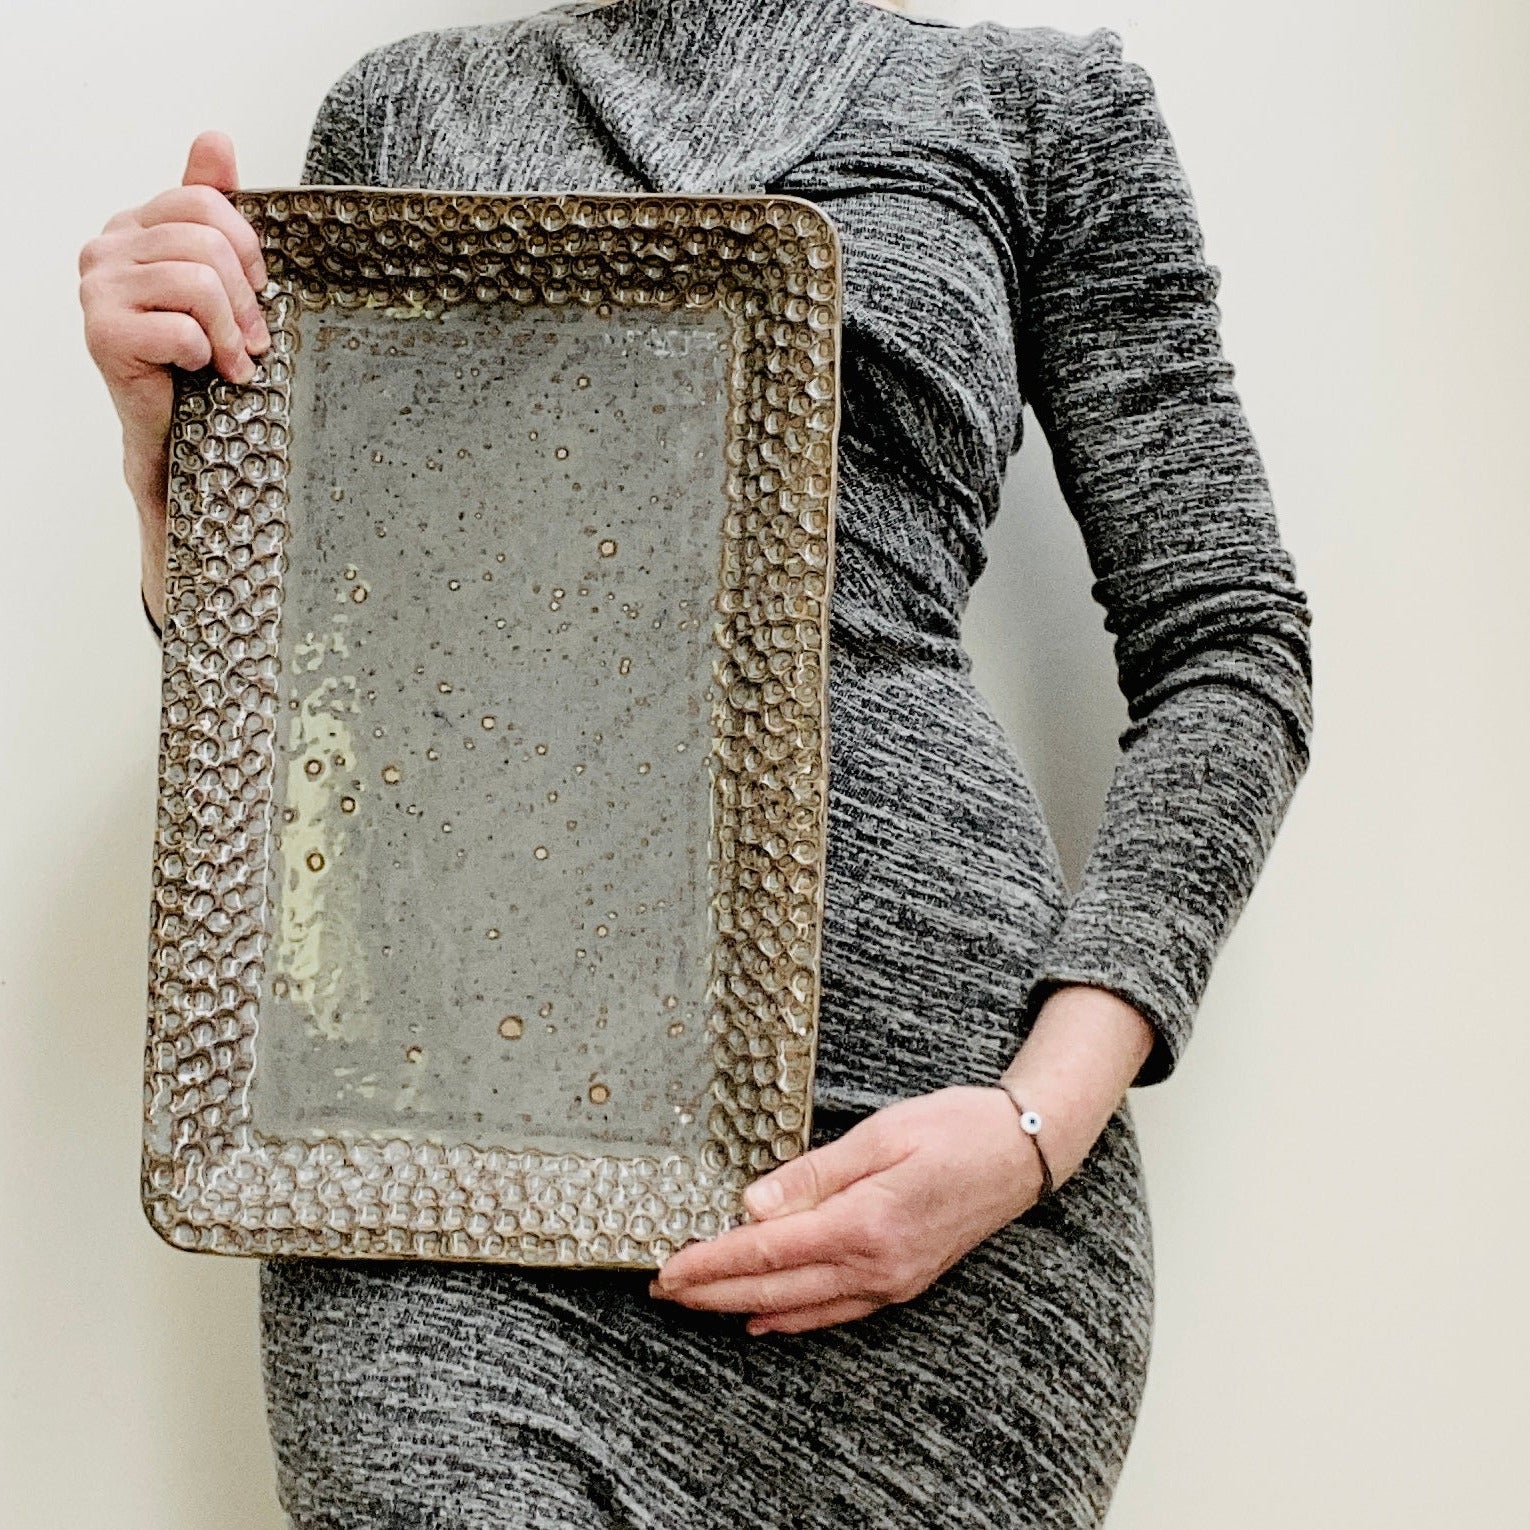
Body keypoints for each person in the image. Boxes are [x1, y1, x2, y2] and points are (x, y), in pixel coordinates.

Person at [80, 0, 1315, 1524]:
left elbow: (1228, 645)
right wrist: (166, 465)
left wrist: (1029, 1124)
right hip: (448, 1163)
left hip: (937, 1167)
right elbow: (341, 681)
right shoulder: (405, 116)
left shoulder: (1037, 111)